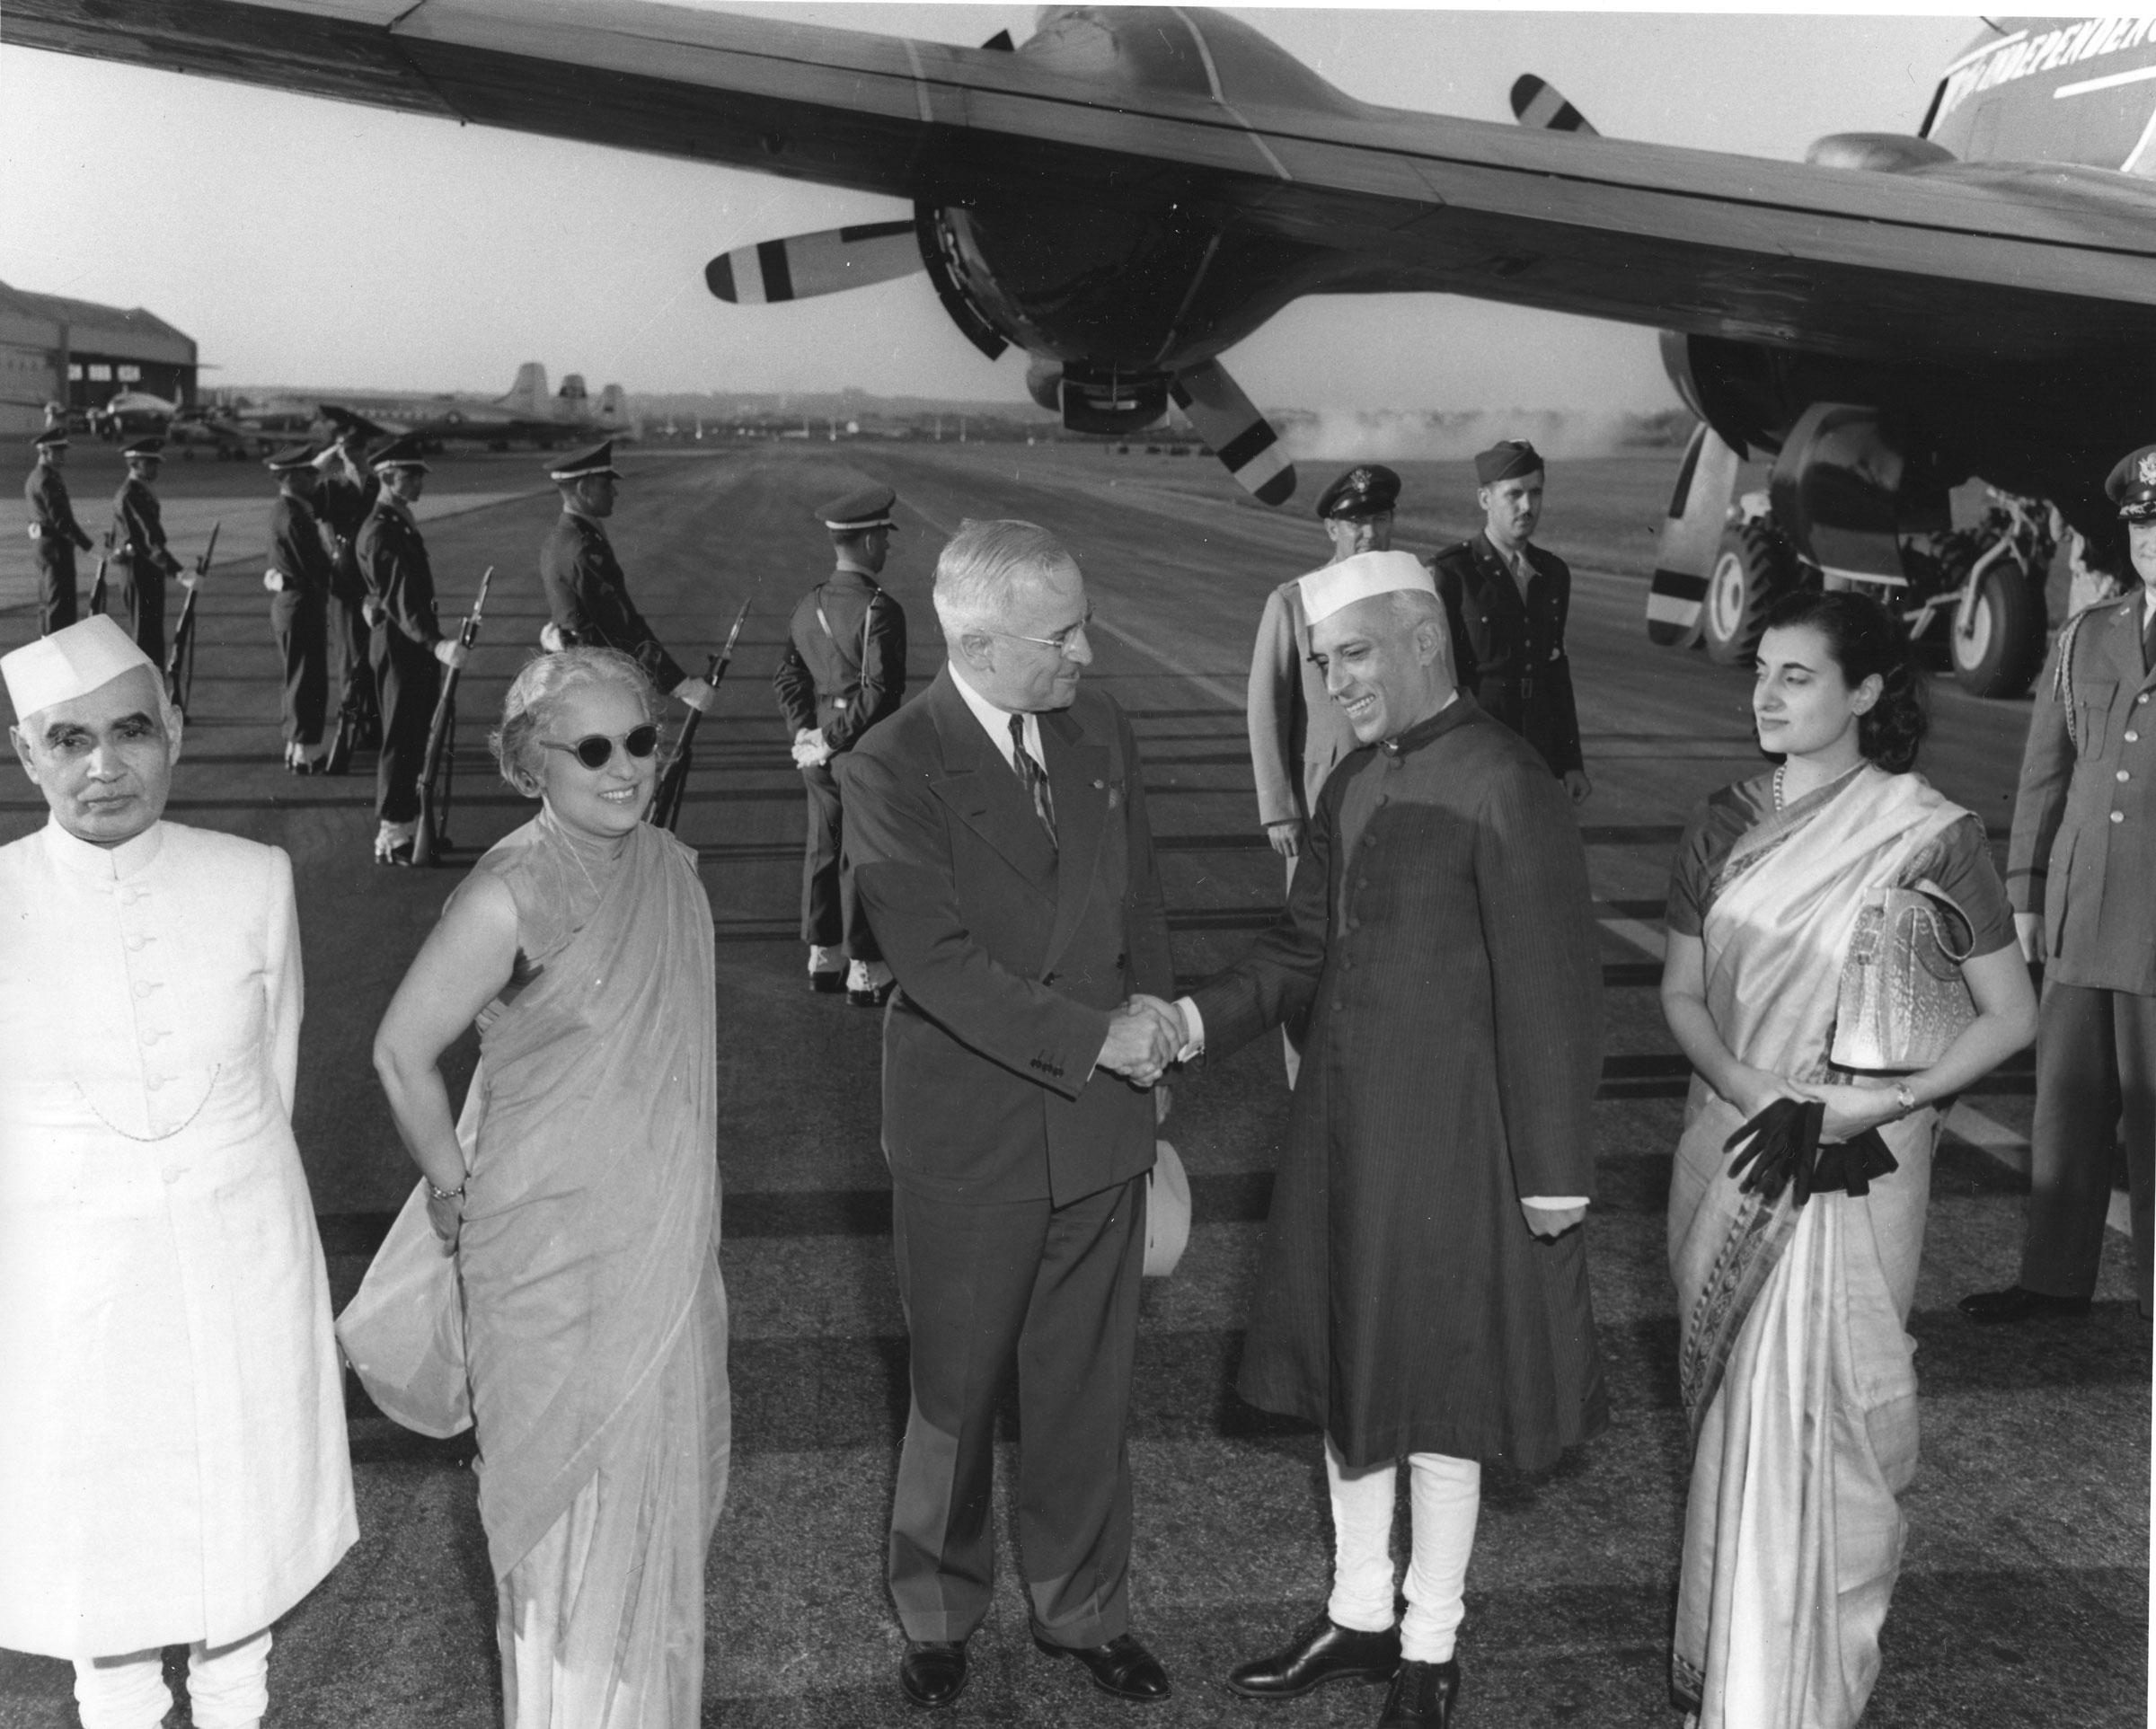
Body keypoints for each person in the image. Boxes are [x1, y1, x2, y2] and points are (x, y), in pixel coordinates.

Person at [1168, 550, 1607, 1729]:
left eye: (1353, 655)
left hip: (1462, 1143)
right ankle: (1358, 1613)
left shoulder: (1507, 782)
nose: (1335, 681)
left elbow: (1555, 989)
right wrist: (1193, 1018)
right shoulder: (1354, 780)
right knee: (1349, 1368)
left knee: (1441, 1391)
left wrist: (1556, 1173)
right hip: (1345, 1132)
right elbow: (1301, 949)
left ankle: (1432, 1639)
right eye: (1322, 663)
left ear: (1423, 641)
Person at [1659, 590, 2036, 1727]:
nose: (1765, 694)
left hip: (1866, 1169)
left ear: (1866, 692)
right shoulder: (1721, 823)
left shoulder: (1931, 832)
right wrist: (1754, 1088)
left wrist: (1882, 1101)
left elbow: (2009, 1014)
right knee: (1737, 1424)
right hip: (1735, 1152)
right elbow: (1681, 992)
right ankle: (1733, 1687)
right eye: (1761, 672)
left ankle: (1812, 1697)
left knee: (1843, 1428)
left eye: (1796, 676)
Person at [838, 518, 1180, 1710]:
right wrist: (1099, 1039)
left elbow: (1145, 905)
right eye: (1061, 635)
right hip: (970, 1135)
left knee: (1087, 1391)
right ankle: (938, 1607)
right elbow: (933, 963)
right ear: (977, 644)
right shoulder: (887, 764)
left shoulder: (1101, 732)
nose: (1086, 651)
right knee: (957, 1390)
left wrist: (1157, 1037)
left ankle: (1084, 1609)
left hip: (1099, 1131)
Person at [358, 645, 730, 1729]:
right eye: (596, 749)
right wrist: (451, 1186)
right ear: (534, 763)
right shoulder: (507, 888)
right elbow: (398, 1051)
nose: (626, 769)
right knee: (559, 1510)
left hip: (658, 1237)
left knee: (649, 1505)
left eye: (644, 740)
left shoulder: (674, 866)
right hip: (543, 1251)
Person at [0, 615, 357, 1729]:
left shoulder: (255, 875)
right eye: (67, 741)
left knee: (237, 1522)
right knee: (98, 1546)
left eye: (130, 730)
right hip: (63, 1287)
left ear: (176, 734)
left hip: (235, 1254)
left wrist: (224, 1198)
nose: (103, 764)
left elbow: (275, 1065)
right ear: (25, 755)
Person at [1964, 443, 2156, 1324]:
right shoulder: (2090, 633)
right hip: (2081, 910)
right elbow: (2044, 773)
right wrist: (2029, 894)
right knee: (2066, 1103)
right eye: (2143, 526)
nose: (2151, 543)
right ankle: (2051, 1278)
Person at [773, 483, 907, 1003]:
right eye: (884, 539)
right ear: (871, 542)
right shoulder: (881, 610)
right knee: (861, 854)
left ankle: (822, 956)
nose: (888, 549)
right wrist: (832, 739)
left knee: (823, 848)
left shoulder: (808, 603)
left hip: (817, 748)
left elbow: (787, 677)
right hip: (861, 748)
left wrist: (804, 733)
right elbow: (880, 694)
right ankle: (865, 968)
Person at [1429, 439, 1592, 802]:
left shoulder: (1552, 573)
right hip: (1478, 744)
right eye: (1514, 494)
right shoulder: (1453, 572)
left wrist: (1570, 761)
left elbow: (1555, 672)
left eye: (1536, 493)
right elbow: (1442, 681)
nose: (1527, 506)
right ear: (1485, 499)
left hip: (1539, 745)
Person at [536, 439, 719, 719]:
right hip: (594, 681)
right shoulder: (585, 549)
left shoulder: (560, 538)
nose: (614, 491)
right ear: (584, 489)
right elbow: (622, 626)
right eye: (606, 484)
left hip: (572, 676)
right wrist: (681, 685)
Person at [355, 435, 470, 864]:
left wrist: (372, 601)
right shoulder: (382, 529)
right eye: (411, 475)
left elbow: (383, 592)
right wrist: (436, 642)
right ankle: (393, 832)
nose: (420, 481)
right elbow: (401, 597)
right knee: (401, 736)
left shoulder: (397, 520)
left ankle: (413, 824)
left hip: (411, 642)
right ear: (386, 477)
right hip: (404, 645)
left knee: (419, 734)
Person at [264, 444, 334, 773]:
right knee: (308, 679)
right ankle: (306, 751)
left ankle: (296, 745)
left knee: (296, 676)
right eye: (307, 474)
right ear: (291, 477)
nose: (313, 479)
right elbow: (319, 569)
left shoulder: (283, 508)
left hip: (289, 603)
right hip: (302, 604)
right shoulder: (295, 517)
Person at [314, 432, 382, 761]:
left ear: (366, 448)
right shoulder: (332, 485)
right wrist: (326, 455)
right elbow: (311, 503)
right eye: (345, 449)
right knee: (349, 660)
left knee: (376, 656)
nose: (351, 454)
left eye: (356, 447)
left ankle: (373, 726)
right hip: (344, 580)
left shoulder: (378, 484)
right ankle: (351, 728)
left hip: (374, 579)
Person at [110, 435, 188, 666]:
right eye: (149, 463)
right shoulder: (131, 495)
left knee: (152, 635)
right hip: (139, 569)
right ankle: (149, 692)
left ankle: (156, 689)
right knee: (145, 637)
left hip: (148, 568)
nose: (155, 468)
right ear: (134, 464)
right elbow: (149, 540)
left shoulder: (141, 491)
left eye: (155, 462)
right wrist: (179, 572)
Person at [24, 424, 94, 635]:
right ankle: (54, 655)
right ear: (44, 452)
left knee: (50, 602)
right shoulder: (47, 480)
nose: (63, 455)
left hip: (46, 546)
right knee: (58, 606)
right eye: (58, 451)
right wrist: (89, 547)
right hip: (55, 548)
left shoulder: (41, 476)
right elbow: (62, 521)